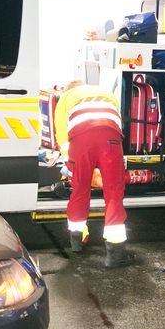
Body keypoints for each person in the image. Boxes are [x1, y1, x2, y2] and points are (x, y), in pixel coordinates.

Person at [54, 80, 134, 268]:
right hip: (110, 138)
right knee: (113, 193)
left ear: (68, 89)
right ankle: (114, 255)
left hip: (80, 140)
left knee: (80, 189)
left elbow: (62, 135)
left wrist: (69, 162)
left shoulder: (65, 97)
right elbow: (116, 122)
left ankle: (76, 243)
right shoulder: (106, 92)